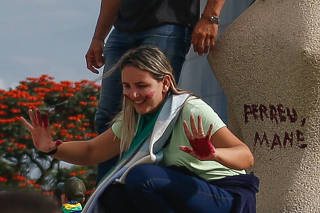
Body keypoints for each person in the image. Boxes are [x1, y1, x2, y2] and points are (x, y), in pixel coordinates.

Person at [21, 46, 258, 213]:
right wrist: (51, 148)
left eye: (142, 85)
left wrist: (214, 154)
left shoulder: (189, 109)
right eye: (127, 86)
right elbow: (92, 151)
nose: (133, 94)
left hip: (224, 197)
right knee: (113, 196)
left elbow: (246, 156)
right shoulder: (134, 119)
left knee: (141, 178)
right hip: (185, 193)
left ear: (165, 83)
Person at [85, 0, 227, 181]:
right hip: (122, 29)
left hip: (167, 25)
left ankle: (146, 191)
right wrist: (98, 37)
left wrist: (210, 17)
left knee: (153, 118)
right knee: (108, 118)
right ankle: (107, 197)